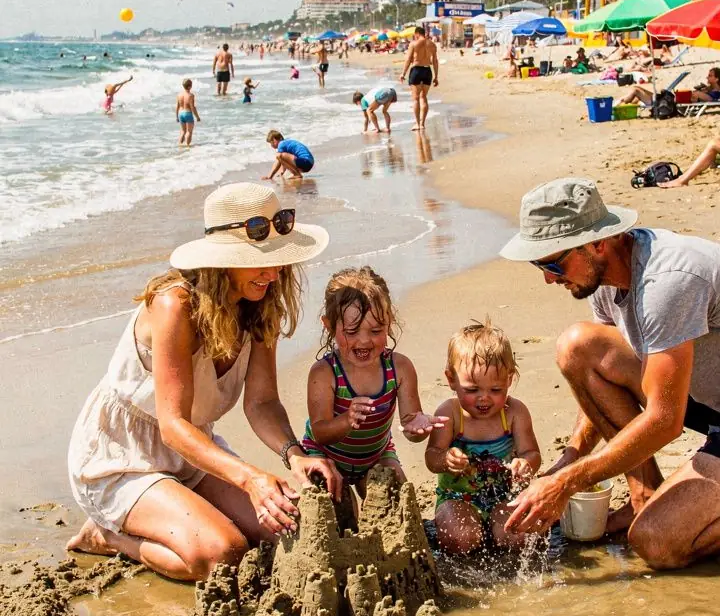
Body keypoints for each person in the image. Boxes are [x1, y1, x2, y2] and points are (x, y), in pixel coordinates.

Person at [499, 177, 720, 569]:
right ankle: (643, 498)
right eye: (538, 264)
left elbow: (665, 421)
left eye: (553, 262)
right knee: (577, 347)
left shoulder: (667, 283)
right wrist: (572, 457)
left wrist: (566, 484)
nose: (548, 277)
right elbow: (602, 380)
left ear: (598, 243)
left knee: (657, 543)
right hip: (710, 394)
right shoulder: (602, 277)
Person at [66, 183, 340, 580]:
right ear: (223, 260)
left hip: (192, 452)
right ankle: (110, 538)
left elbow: (261, 402)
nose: (275, 272)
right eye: (260, 260)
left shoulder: (262, 302)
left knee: (286, 528)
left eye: (280, 259)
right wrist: (249, 477)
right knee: (222, 554)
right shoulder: (174, 305)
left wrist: (294, 455)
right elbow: (172, 426)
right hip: (123, 456)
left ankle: (179, 506)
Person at [300, 267, 445, 510]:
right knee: (334, 509)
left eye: (376, 331)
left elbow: (409, 425)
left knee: (396, 499)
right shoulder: (324, 373)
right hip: (327, 456)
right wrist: (347, 420)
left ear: (389, 323)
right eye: (351, 331)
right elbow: (320, 432)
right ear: (328, 325)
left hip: (376, 456)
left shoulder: (399, 368)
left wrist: (418, 428)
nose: (364, 340)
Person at [425, 321, 541, 554]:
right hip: (458, 498)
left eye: (495, 390)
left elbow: (533, 453)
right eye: (471, 390)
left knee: (517, 537)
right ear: (451, 380)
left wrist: (525, 463)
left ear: (509, 379)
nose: (484, 399)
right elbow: (431, 458)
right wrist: (446, 459)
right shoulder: (450, 414)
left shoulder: (515, 413)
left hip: (504, 497)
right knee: (460, 538)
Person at [400, 25, 438, 131]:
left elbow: (408, 60)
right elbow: (435, 61)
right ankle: (422, 123)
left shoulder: (414, 44)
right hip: (427, 70)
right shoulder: (432, 44)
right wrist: (436, 76)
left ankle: (417, 123)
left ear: (417, 34)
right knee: (423, 97)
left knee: (416, 98)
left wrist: (403, 73)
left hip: (416, 70)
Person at [176, 77, 200, 146]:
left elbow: (177, 107)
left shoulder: (179, 95)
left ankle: (180, 145)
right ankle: (187, 146)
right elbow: (192, 107)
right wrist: (197, 117)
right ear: (190, 86)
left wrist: (176, 117)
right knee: (189, 131)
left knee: (183, 131)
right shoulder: (191, 95)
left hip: (180, 114)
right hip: (188, 113)